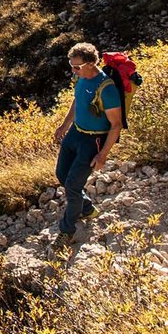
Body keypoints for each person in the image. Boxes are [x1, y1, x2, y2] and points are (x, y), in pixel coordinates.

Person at [52, 43, 123, 242]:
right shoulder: (81, 78)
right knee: (62, 174)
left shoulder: (106, 88)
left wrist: (102, 155)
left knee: (73, 186)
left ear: (91, 63)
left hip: (93, 140)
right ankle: (86, 208)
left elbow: (115, 124)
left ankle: (67, 231)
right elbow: (77, 101)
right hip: (76, 132)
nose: (73, 71)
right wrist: (64, 125)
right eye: (71, 66)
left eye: (77, 67)